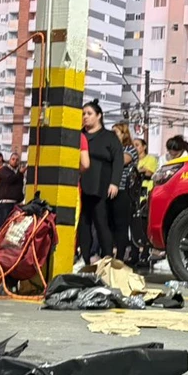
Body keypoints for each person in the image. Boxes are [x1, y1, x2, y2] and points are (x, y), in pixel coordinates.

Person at [78, 100, 122, 263]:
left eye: (89, 114)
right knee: (84, 222)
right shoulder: (79, 135)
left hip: (101, 184)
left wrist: (114, 183)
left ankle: (108, 257)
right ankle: (84, 257)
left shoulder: (109, 137)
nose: (85, 117)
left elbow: (118, 160)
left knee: (101, 221)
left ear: (99, 116)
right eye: (83, 114)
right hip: (82, 184)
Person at [109, 123, 139, 262]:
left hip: (123, 191)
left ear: (124, 134)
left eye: (116, 133)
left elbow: (120, 161)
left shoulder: (130, 150)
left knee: (121, 225)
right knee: (109, 224)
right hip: (108, 190)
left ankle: (121, 256)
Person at [130, 138, 159, 266]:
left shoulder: (150, 159)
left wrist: (138, 170)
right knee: (133, 226)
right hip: (133, 195)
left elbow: (149, 172)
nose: (135, 147)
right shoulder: (133, 160)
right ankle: (134, 254)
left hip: (145, 195)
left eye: (137, 145)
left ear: (144, 146)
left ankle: (145, 254)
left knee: (143, 226)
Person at [0, 152, 25, 241]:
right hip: (5, 204)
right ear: (9, 160)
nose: (15, 161)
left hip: (15, 204)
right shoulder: (4, 170)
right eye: (13, 159)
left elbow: (19, 186)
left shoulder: (18, 173)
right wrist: (20, 174)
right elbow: (10, 179)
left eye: (17, 160)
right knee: (1, 225)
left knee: (12, 226)